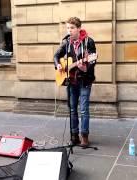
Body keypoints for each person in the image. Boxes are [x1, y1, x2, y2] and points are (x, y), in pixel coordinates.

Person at [53, 17, 97, 147]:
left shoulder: (89, 41)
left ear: (78, 28)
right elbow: (56, 56)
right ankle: (74, 136)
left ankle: (84, 136)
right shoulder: (66, 42)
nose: (69, 30)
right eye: (68, 28)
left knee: (83, 109)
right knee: (72, 109)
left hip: (84, 80)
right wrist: (58, 65)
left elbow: (93, 60)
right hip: (71, 81)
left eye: (72, 28)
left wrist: (86, 67)